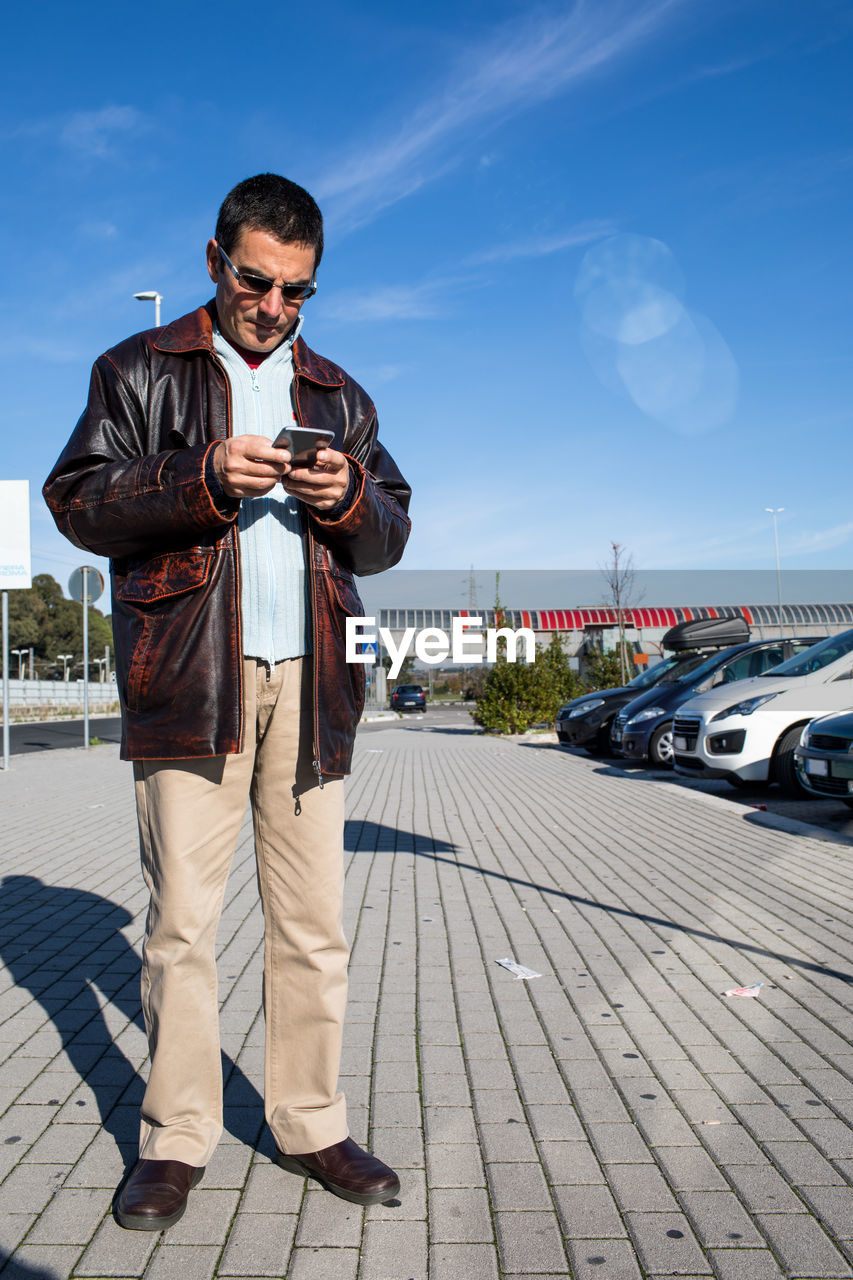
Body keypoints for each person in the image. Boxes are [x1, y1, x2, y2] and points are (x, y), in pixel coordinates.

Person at [43, 174, 411, 1231]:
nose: (275, 306)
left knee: (313, 928)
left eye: (298, 291)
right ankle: (175, 1135)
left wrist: (346, 495)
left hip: (313, 684)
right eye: (257, 281)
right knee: (180, 927)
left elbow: (391, 528)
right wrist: (202, 473)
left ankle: (309, 1119)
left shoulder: (338, 392)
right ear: (214, 261)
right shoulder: (136, 369)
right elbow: (78, 499)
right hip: (188, 678)